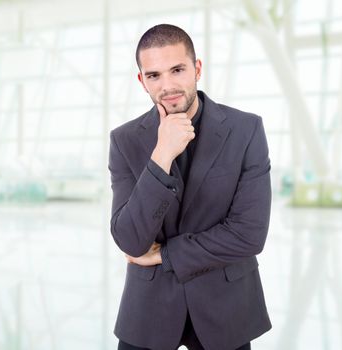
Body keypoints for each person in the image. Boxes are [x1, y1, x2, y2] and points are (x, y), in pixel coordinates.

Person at [108, 24, 272, 350]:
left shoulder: (246, 130)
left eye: (177, 70)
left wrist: (165, 255)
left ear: (197, 68)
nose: (167, 86)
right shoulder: (124, 140)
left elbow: (249, 235)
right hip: (148, 311)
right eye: (154, 75)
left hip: (225, 307)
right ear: (142, 80)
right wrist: (161, 155)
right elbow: (129, 239)